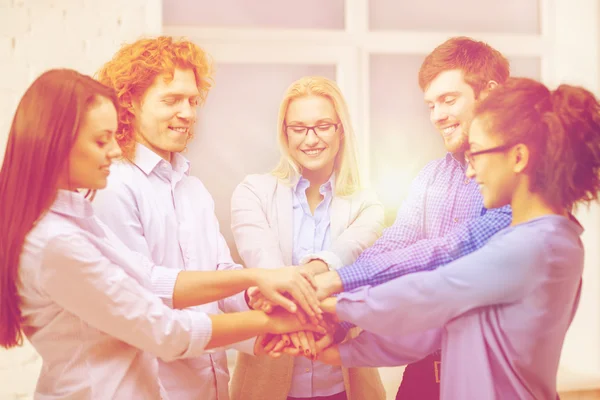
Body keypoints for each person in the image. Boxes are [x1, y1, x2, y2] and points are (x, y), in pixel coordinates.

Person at [0, 69, 325, 400]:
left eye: (193, 100)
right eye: (101, 140)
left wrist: (256, 280)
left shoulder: (78, 219)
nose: (114, 150)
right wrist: (272, 322)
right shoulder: (59, 239)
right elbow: (163, 330)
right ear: (56, 142)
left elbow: (149, 279)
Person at [252, 37, 514, 398]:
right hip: (424, 370)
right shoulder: (431, 176)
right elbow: (397, 241)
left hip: (488, 374)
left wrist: (336, 282)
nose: (437, 115)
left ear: (489, 94)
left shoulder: (519, 177)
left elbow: (453, 250)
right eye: (431, 104)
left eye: (448, 100)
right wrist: (338, 320)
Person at [315, 76, 600, 399]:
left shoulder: (539, 245)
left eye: (476, 154)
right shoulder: (534, 239)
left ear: (518, 157)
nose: (470, 171)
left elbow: (430, 293)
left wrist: (327, 303)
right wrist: (340, 353)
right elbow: (434, 329)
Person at [93, 37, 322, 399]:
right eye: (171, 100)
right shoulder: (114, 185)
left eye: (193, 100)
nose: (187, 113)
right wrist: (260, 287)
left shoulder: (192, 189)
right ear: (129, 102)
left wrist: (253, 297)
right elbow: (142, 292)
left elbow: (220, 274)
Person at [229, 76, 386, 400]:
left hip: (346, 384)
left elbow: (346, 253)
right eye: (298, 128)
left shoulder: (366, 204)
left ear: (340, 130)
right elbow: (267, 268)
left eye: (322, 126)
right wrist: (283, 287)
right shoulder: (252, 192)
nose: (310, 139)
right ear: (284, 133)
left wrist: (300, 278)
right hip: (266, 382)